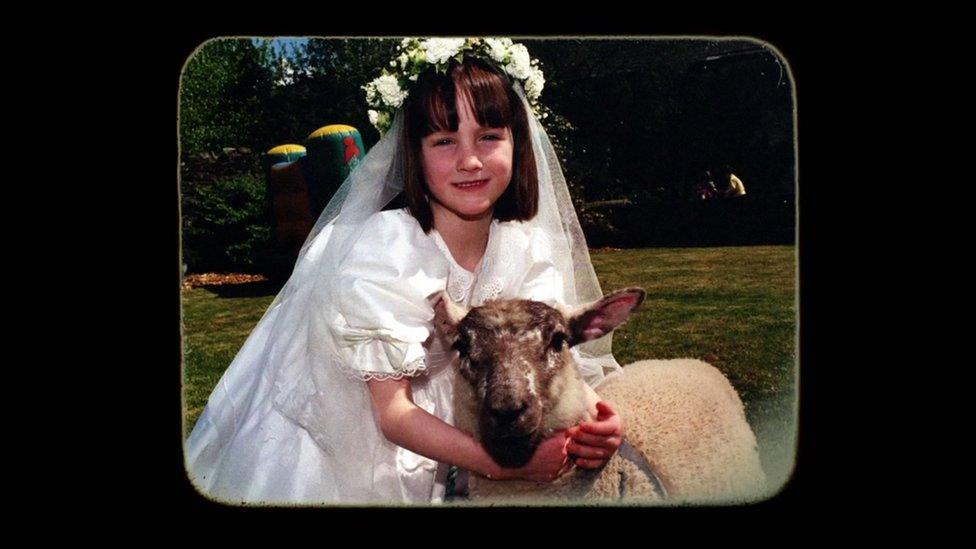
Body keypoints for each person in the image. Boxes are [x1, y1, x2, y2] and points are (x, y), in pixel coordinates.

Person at [185, 38, 625, 505]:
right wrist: (503, 463)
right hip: (359, 433)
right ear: (413, 153)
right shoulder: (388, 249)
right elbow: (393, 414)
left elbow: (553, 356)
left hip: (471, 409)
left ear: (519, 143)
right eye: (444, 141)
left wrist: (600, 418)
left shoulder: (524, 244)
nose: (469, 160)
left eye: (489, 136)